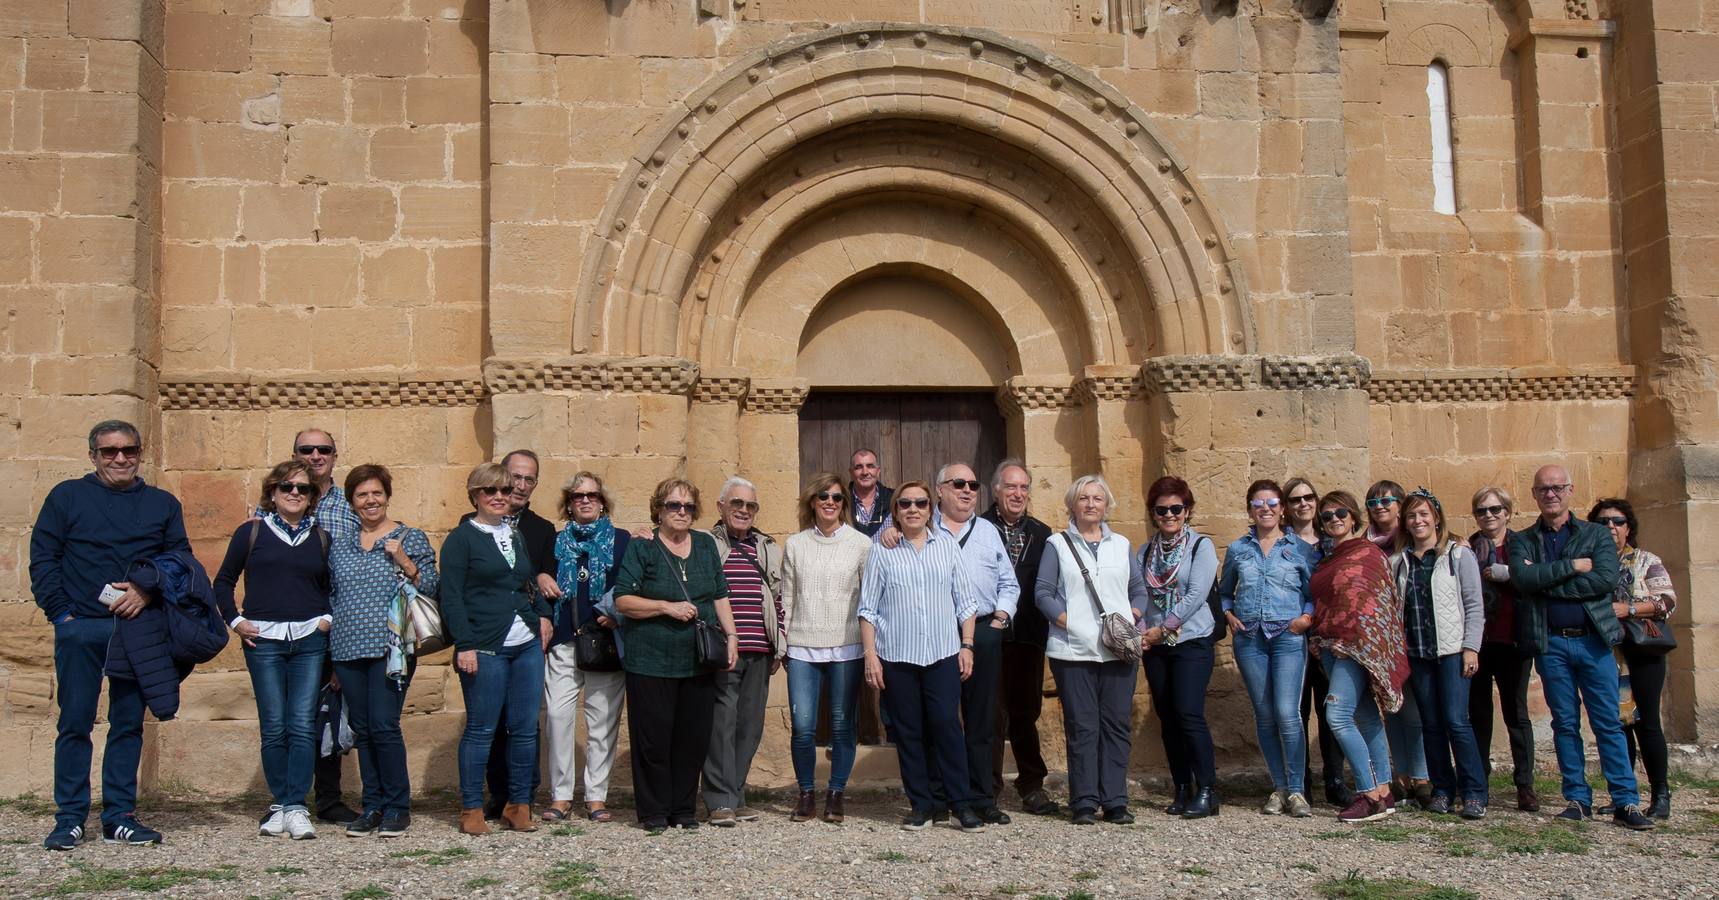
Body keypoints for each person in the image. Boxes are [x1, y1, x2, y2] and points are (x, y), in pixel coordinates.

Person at [31, 420, 190, 850]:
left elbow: (181, 561)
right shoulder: (67, 497)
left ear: (140, 453)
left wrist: (146, 588)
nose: (120, 458)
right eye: (109, 451)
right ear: (93, 456)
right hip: (81, 628)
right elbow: (44, 559)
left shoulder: (162, 503)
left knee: (127, 725)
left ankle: (119, 816)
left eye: (129, 450)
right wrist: (62, 617)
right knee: (75, 723)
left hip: (137, 631)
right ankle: (69, 818)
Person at [1507, 465, 1652, 830]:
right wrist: (1571, 566)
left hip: (1593, 641)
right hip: (1552, 642)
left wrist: (1545, 580)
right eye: (1543, 489)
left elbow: (1602, 581)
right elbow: (1523, 580)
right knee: (1565, 724)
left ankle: (1626, 801)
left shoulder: (1596, 535)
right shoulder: (1523, 540)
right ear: (1534, 494)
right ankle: (1577, 797)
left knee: (1608, 722)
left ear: (1570, 490)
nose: (1551, 494)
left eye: (1557, 487)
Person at [879, 462, 1020, 825]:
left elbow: (1009, 583)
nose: (968, 490)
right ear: (939, 490)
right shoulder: (907, 526)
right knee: (934, 721)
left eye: (973, 484)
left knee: (980, 719)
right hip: (928, 637)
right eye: (959, 483)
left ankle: (980, 797)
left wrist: (999, 621)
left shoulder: (988, 531)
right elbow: (882, 556)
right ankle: (935, 798)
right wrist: (886, 532)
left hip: (981, 632)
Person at [214, 460, 334, 840]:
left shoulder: (320, 536)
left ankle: (296, 806)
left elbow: (331, 586)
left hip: (308, 638)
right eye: (287, 487)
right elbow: (223, 581)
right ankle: (280, 803)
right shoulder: (251, 532)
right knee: (274, 726)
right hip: (263, 639)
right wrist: (235, 621)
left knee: (301, 724)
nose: (295, 493)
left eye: (304, 489)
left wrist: (326, 619)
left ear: (313, 496)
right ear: (273, 492)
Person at [859, 481, 986, 832]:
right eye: (905, 504)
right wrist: (871, 656)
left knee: (947, 727)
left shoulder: (946, 546)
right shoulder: (882, 549)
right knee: (909, 733)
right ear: (895, 510)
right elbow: (868, 609)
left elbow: (966, 602)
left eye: (920, 503)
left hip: (943, 654)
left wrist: (968, 644)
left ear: (931, 508)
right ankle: (922, 805)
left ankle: (961, 804)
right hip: (898, 657)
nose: (912, 509)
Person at [615, 478, 740, 832]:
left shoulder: (704, 544)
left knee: (692, 739)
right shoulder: (643, 547)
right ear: (659, 509)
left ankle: (683, 809)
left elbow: (719, 594)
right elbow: (623, 600)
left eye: (687, 506)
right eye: (673, 505)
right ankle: (654, 812)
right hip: (650, 659)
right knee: (653, 739)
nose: (681, 512)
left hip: (698, 660)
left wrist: (732, 636)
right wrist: (665, 608)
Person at [440, 463, 554, 836]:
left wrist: (540, 616)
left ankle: (518, 805)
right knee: (481, 729)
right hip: (485, 644)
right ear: (475, 495)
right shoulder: (461, 538)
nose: (499, 497)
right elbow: (452, 597)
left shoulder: (515, 534)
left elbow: (526, 583)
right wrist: (465, 644)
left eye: (505, 490)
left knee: (523, 728)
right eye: (490, 491)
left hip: (524, 644)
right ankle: (471, 808)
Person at [328, 464, 438, 837]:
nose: (370, 500)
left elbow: (432, 586)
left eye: (376, 493)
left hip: (392, 648)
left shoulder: (410, 536)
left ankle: (397, 807)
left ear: (387, 496)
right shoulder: (340, 544)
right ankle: (372, 806)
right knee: (362, 728)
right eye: (362, 495)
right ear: (352, 502)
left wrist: (404, 561)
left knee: (385, 725)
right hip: (345, 648)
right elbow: (332, 595)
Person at [1035, 475, 1149, 825]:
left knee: (1115, 724)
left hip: (1117, 650)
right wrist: (1070, 622)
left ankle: (1115, 800)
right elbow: (1043, 593)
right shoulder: (1058, 544)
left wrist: (1129, 618)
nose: (1090, 504)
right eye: (1083, 498)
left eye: (1097, 498)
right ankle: (1083, 800)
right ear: (1072, 504)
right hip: (1073, 649)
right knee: (1082, 725)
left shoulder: (1122, 545)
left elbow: (1138, 589)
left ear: (1106, 504)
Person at [1308, 491, 1411, 823]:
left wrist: (1353, 639)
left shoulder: (1368, 554)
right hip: (1331, 646)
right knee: (1366, 717)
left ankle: (1367, 792)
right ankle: (1384, 791)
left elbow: (1376, 605)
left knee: (1337, 715)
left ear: (1353, 517)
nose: (1334, 519)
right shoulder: (1326, 559)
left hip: (1356, 648)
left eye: (1341, 513)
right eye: (1327, 516)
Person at [1219, 479, 1318, 817]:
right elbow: (1225, 590)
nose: (1266, 508)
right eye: (1258, 503)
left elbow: (1313, 593)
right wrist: (1228, 614)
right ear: (1250, 508)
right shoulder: (1238, 549)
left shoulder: (1299, 549)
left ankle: (1297, 790)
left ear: (1282, 508)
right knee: (1264, 715)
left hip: (1288, 638)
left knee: (1288, 714)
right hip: (1250, 639)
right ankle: (1278, 787)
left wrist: (1306, 618)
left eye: (1272, 502)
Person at [1389, 489, 1488, 819]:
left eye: (1423, 514)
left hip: (1451, 651)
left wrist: (1471, 648)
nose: (1418, 521)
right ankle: (1443, 789)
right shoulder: (1399, 562)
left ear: (1436, 518)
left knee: (1457, 722)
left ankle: (1474, 791)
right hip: (1418, 653)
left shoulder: (1458, 556)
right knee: (1430, 724)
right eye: (1411, 516)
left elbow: (1474, 605)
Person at [779, 473, 872, 823]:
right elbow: (786, 596)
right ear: (812, 502)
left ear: (844, 504)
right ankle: (806, 794)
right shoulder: (796, 544)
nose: (830, 502)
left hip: (847, 646)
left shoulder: (861, 544)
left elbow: (869, 598)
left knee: (841, 725)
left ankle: (836, 793)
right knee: (802, 726)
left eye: (836, 497)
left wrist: (870, 646)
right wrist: (784, 642)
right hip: (803, 645)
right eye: (823, 496)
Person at [284, 428, 362, 826]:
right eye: (306, 449)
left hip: (334, 623)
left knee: (329, 712)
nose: (315, 455)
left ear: (335, 454)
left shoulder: (349, 507)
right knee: (288, 714)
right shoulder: (278, 499)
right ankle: (286, 798)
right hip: (286, 622)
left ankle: (329, 799)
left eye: (323, 449)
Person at [543, 472, 630, 824]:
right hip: (564, 640)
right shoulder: (556, 542)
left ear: (602, 502)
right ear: (568, 503)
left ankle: (596, 796)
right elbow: (538, 577)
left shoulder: (622, 541)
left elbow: (632, 583)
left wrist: (616, 612)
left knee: (602, 722)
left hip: (604, 642)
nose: (585, 500)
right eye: (578, 496)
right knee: (557, 718)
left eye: (592, 495)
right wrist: (540, 576)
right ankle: (561, 795)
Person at [1136, 476, 1221, 819]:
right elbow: (1140, 594)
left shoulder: (1201, 547)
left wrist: (1162, 628)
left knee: (1188, 713)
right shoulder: (1145, 551)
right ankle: (1182, 786)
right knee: (1167, 717)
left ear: (1187, 511)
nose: (1169, 514)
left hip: (1191, 640)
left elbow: (1196, 594)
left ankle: (1208, 789)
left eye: (1176, 508)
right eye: (1162, 509)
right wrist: (1142, 631)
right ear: (1153, 513)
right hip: (1156, 645)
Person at [481, 449, 559, 819]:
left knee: (525, 719)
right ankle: (498, 792)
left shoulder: (542, 530)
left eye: (529, 479)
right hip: (489, 634)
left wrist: (543, 607)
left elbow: (547, 575)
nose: (520, 486)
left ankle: (524, 793)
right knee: (492, 719)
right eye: (515, 477)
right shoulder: (472, 523)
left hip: (526, 633)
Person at [1588, 498, 1678, 820]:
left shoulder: (1645, 560)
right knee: (1617, 725)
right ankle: (1624, 795)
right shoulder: (1591, 562)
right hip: (1604, 653)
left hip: (1642, 652)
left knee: (1647, 723)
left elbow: (1667, 600)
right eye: (1602, 522)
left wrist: (1630, 609)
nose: (1610, 527)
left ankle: (1660, 794)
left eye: (1617, 521)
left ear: (1629, 527)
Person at [703, 476, 785, 826]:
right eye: (736, 503)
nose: (743, 510)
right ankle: (718, 800)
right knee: (721, 724)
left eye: (750, 506)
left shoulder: (766, 546)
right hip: (723, 649)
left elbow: (779, 597)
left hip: (760, 648)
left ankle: (736, 796)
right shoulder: (705, 543)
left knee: (749, 726)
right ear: (721, 506)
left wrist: (779, 642)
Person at [980, 459, 1058, 816]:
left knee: (1026, 713)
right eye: (1011, 487)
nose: (1018, 494)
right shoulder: (976, 527)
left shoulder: (1043, 534)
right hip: (988, 636)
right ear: (996, 490)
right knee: (991, 715)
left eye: (1024, 487)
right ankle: (988, 788)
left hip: (1027, 637)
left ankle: (1031, 784)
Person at [1466, 486, 1539, 813]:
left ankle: (1525, 784)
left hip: (1514, 638)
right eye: (1482, 511)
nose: (1489, 516)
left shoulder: (1523, 544)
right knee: (1478, 714)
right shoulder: (1469, 548)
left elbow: (1539, 579)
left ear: (1508, 512)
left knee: (1516, 714)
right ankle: (1478, 780)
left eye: (1495, 509)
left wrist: (1508, 573)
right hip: (1479, 642)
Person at [1285, 476, 1350, 808]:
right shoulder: (1281, 542)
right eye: (1295, 499)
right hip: (1293, 637)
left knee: (1330, 709)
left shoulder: (1331, 540)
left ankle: (1335, 779)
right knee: (1297, 711)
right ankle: (1301, 781)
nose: (1303, 504)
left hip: (1327, 638)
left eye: (1308, 497)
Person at [1367, 478, 1427, 808]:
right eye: (1373, 503)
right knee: (1391, 707)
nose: (1381, 508)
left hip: (1413, 633)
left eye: (1387, 501)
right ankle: (1400, 774)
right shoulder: (1367, 543)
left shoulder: (1410, 541)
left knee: (1415, 708)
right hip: (1381, 638)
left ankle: (1422, 775)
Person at [847, 448, 894, 538]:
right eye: (859, 467)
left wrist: (899, 531)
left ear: (878, 471)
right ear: (851, 473)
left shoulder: (895, 499)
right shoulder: (840, 501)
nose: (865, 472)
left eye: (870, 466)